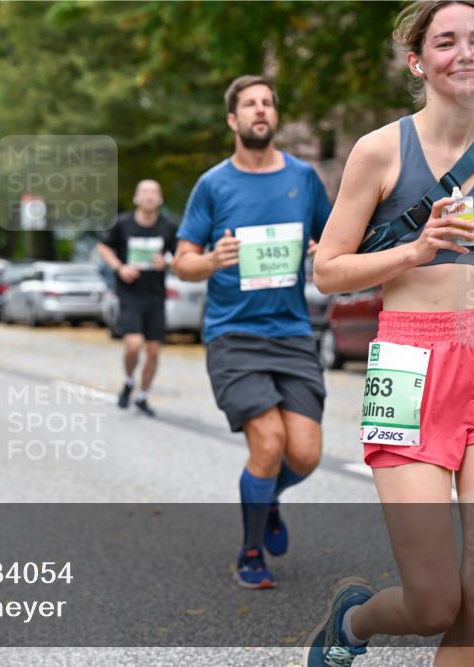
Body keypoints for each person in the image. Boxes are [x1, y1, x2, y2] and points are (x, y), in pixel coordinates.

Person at [304, 2, 474, 665]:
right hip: (407, 365)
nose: (465, 52)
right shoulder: (379, 151)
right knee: (434, 603)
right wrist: (413, 251)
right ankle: (353, 623)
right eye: (447, 41)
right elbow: (327, 270)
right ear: (419, 62)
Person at [173, 75, 331, 589]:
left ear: (275, 117)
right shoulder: (213, 184)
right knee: (268, 444)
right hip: (233, 334)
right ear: (233, 120)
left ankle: (267, 497)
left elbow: (334, 239)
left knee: (304, 453)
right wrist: (211, 259)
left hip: (291, 333)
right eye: (249, 104)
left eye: (267, 102)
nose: (260, 110)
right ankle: (250, 551)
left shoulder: (304, 178)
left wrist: (322, 251)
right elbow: (182, 263)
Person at [97, 179, 178, 417]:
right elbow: (104, 248)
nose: (149, 196)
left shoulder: (168, 227)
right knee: (133, 344)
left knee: (153, 351)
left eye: (154, 192)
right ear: (136, 198)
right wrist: (119, 267)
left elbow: (180, 253)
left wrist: (168, 262)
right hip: (129, 294)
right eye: (144, 192)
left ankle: (142, 395)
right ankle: (128, 380)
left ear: (160, 199)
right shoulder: (123, 224)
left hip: (155, 295)